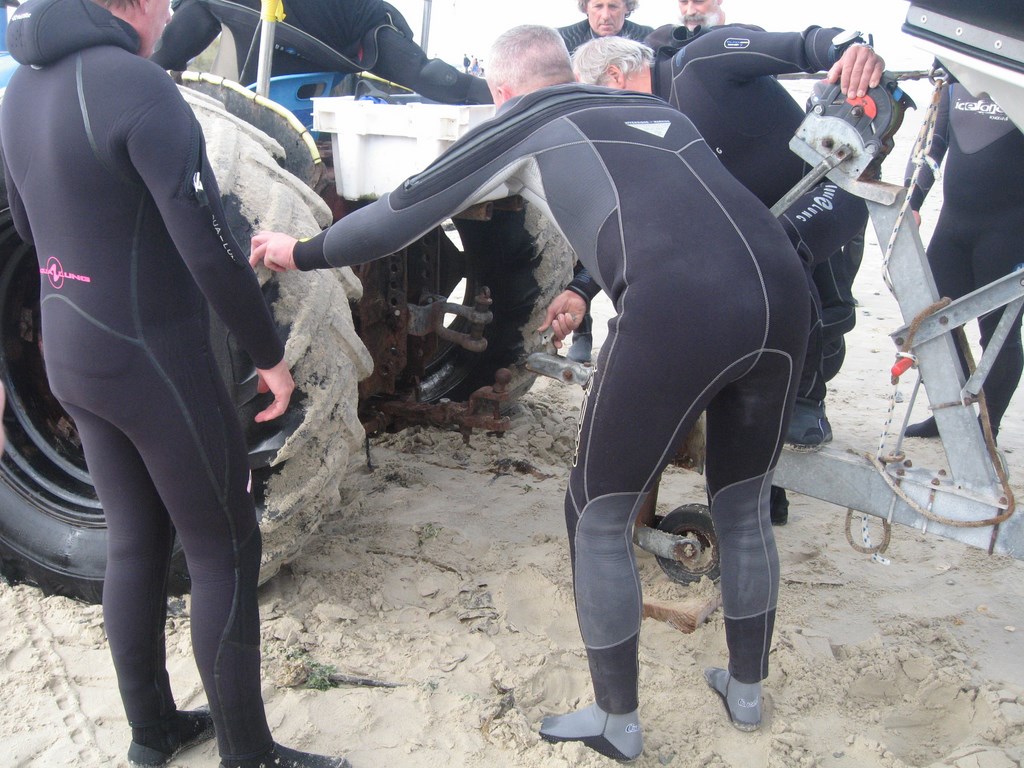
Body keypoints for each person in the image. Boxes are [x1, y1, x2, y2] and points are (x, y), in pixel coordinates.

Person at [249, 22, 810, 760]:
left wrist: (301, 251)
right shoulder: (658, 110)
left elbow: (400, 214)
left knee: (598, 514)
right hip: (783, 292)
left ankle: (616, 721)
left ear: (500, 88)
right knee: (742, 505)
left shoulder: (522, 119)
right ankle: (745, 692)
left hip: (678, 307)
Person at [0, 1, 346, 767]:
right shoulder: (140, 85)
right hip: (153, 358)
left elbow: (25, 224)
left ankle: (152, 732)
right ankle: (250, 755)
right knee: (225, 546)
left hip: (72, 351)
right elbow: (210, 247)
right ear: (126, 4)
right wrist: (268, 354)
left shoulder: (20, 88)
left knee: (136, 539)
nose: (168, 11)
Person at [567, 30, 885, 522]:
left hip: (830, 189)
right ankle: (763, 493)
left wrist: (850, 50)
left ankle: (806, 400)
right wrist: (580, 288)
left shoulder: (701, 63)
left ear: (614, 76)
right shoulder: (649, 128)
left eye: (596, 98)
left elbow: (803, 46)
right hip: (760, 224)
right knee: (724, 295)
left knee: (774, 262)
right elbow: (638, 229)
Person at [903, 77, 1024, 440]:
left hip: (1009, 234)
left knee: (999, 334)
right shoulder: (954, 80)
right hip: (953, 227)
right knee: (931, 322)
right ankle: (948, 413)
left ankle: (988, 428)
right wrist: (912, 201)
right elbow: (932, 145)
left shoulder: (1016, 79)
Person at [150, 0, 492, 104]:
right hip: (355, 43)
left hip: (263, 107)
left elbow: (167, 56)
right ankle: (506, 95)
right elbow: (428, 75)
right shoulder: (364, 15)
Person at [557, 0, 655, 364]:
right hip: (582, 143)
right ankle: (581, 331)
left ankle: (628, 327)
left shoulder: (649, 42)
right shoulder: (562, 42)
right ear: (584, 7)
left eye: (614, 6)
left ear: (628, 8)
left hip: (632, 143)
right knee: (573, 238)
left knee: (629, 243)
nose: (606, 15)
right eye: (597, 5)